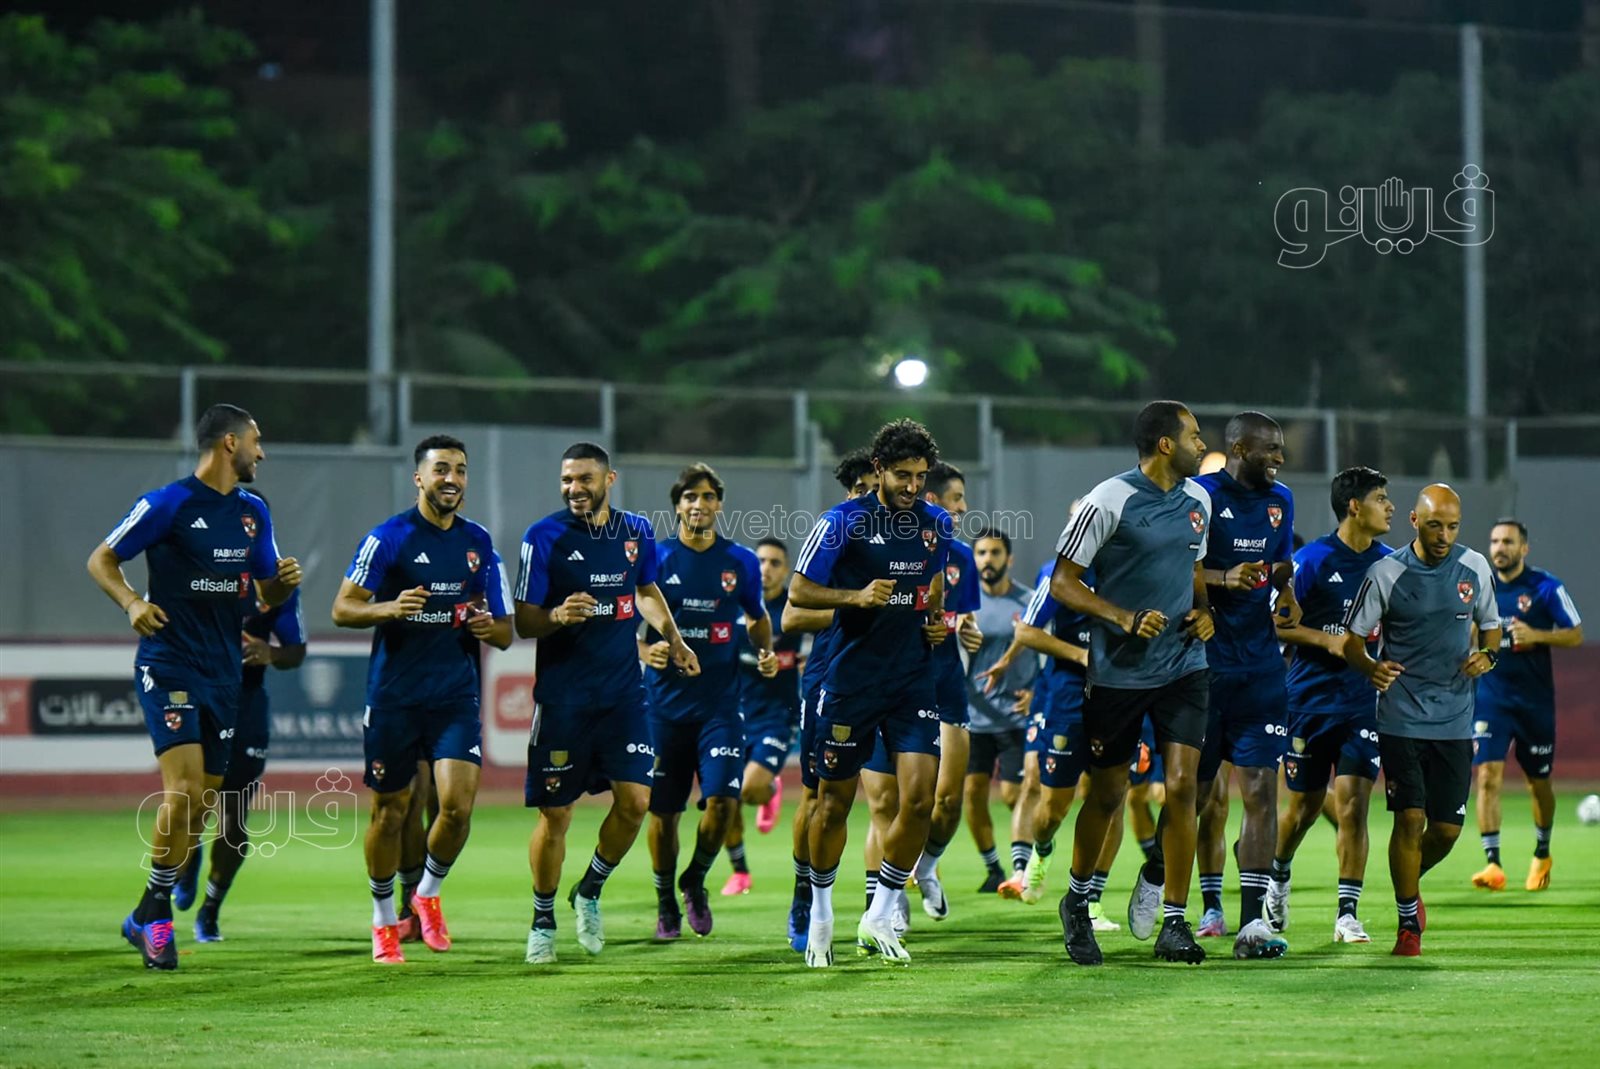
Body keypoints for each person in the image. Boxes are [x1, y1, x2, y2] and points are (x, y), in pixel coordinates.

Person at [89, 404, 300, 970]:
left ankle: (144, 911)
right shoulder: (167, 503)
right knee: (183, 792)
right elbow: (102, 559)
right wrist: (132, 602)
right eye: (256, 441)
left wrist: (282, 585)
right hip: (170, 664)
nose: (262, 452)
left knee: (203, 803)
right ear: (230, 443)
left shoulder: (254, 512)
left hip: (225, 674)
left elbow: (267, 593)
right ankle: (158, 919)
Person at [515, 443, 699, 965]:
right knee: (556, 814)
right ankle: (542, 920)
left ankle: (590, 889)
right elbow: (523, 621)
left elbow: (646, 590)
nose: (575, 489)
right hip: (564, 700)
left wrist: (675, 639)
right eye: (567, 480)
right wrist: (556, 616)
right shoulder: (543, 536)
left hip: (623, 697)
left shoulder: (636, 531)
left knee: (636, 802)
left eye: (585, 479)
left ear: (609, 479)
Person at [333, 434, 514, 964]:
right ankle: (383, 919)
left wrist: (485, 625)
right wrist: (388, 608)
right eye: (441, 470)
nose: (451, 479)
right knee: (391, 812)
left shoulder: (479, 542)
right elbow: (343, 608)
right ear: (419, 478)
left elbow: (505, 632)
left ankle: (427, 895)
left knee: (456, 809)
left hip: (454, 697)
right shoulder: (388, 538)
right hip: (394, 698)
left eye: (460, 470)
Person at [1050, 400, 1215, 966]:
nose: (1202, 445)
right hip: (1119, 671)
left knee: (1184, 787)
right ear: (1166, 444)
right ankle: (1077, 901)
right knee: (1109, 794)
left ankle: (1175, 921)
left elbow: (1194, 568)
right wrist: (1122, 617)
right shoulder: (1108, 499)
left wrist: (1205, 611)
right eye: (1194, 436)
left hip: (1184, 665)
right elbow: (1063, 583)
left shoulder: (1199, 501)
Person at [790, 419, 951, 967]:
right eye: (903, 475)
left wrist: (932, 617)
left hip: (912, 679)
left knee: (921, 801)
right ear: (879, 469)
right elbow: (799, 591)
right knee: (832, 804)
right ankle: (820, 917)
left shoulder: (936, 523)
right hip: (850, 680)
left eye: (921, 476)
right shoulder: (842, 522)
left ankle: (879, 914)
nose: (913, 486)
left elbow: (931, 582)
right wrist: (854, 597)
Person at [1342, 484, 1500, 957]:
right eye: (1434, 525)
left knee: (1446, 830)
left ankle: (1408, 878)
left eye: (1452, 526)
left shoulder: (1475, 568)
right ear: (1414, 521)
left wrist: (1488, 655)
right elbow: (1352, 641)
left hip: (1455, 718)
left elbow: (1492, 627)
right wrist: (1370, 667)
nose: (1444, 535)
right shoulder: (1386, 572)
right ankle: (1408, 921)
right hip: (1401, 717)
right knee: (1410, 819)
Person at [643, 464, 775, 939]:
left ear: (719, 504)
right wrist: (645, 651)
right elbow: (627, 621)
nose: (698, 504)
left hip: (720, 706)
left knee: (722, 803)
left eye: (707, 496)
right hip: (664, 708)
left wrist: (765, 651)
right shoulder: (656, 558)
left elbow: (757, 616)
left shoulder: (740, 561)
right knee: (664, 814)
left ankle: (694, 880)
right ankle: (665, 901)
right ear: (677, 505)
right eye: (689, 497)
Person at [1265, 466, 1395, 944]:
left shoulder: (1391, 565)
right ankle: (1278, 877)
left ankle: (1347, 914)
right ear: (1354, 507)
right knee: (1302, 807)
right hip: (1310, 701)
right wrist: (1328, 639)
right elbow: (1276, 623)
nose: (1390, 507)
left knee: (1354, 806)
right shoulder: (1313, 560)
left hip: (1364, 703)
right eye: (1381, 498)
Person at [1192, 412, 1300, 959]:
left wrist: (1287, 593)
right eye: (1270, 449)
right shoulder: (1201, 496)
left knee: (1260, 791)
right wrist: (1223, 578)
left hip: (1260, 667)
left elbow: (1281, 564)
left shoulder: (1281, 499)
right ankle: (1163, 881)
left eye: (1280, 448)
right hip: (1202, 666)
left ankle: (1252, 923)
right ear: (1238, 449)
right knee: (1196, 796)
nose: (1279, 457)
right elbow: (1177, 566)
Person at [780, 450, 879, 953]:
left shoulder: (908, 536)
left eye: (874, 487)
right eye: (860, 489)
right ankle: (806, 894)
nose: (869, 497)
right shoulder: (836, 535)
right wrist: (857, 606)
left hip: (893, 678)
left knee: (898, 797)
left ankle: (884, 907)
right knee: (818, 796)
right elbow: (791, 617)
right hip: (829, 677)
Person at [176, 576, 307, 942]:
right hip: (197, 698)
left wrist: (272, 653)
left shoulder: (275, 583)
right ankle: (187, 858)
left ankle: (210, 908)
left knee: (234, 818)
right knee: (191, 801)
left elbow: (296, 652)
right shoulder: (192, 568)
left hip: (245, 704)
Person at [1470, 519, 1583, 892]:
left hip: (1535, 703)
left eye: (1507, 542)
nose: (1499, 548)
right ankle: (1493, 863)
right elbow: (1466, 632)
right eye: (1494, 541)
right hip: (1491, 699)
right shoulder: (1480, 587)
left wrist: (1538, 635)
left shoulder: (1545, 587)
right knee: (1487, 775)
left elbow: (1575, 633)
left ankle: (1542, 851)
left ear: (1523, 548)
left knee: (1539, 783)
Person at [905, 463, 983, 921]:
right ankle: (890, 898)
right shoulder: (896, 550)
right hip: (899, 686)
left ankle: (928, 866)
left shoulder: (962, 558)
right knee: (900, 802)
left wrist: (969, 632)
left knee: (948, 800)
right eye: (957, 498)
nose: (964, 507)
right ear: (933, 500)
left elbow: (963, 620)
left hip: (947, 685)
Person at [721, 537, 806, 896]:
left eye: (775, 563)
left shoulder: (795, 605)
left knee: (748, 789)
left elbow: (831, 632)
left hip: (776, 715)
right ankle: (740, 872)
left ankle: (768, 788)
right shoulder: (733, 602)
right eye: (760, 561)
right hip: (733, 713)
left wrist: (809, 661)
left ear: (785, 571)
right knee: (723, 798)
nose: (766, 568)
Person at [959, 528, 1034, 895]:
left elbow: (1050, 650)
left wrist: (1037, 692)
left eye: (995, 553)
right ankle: (993, 869)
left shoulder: (1029, 601)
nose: (987, 560)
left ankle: (1022, 869)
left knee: (1013, 794)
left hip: (1016, 715)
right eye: (981, 553)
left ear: (1009, 559)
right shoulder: (964, 604)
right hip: (974, 718)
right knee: (972, 794)